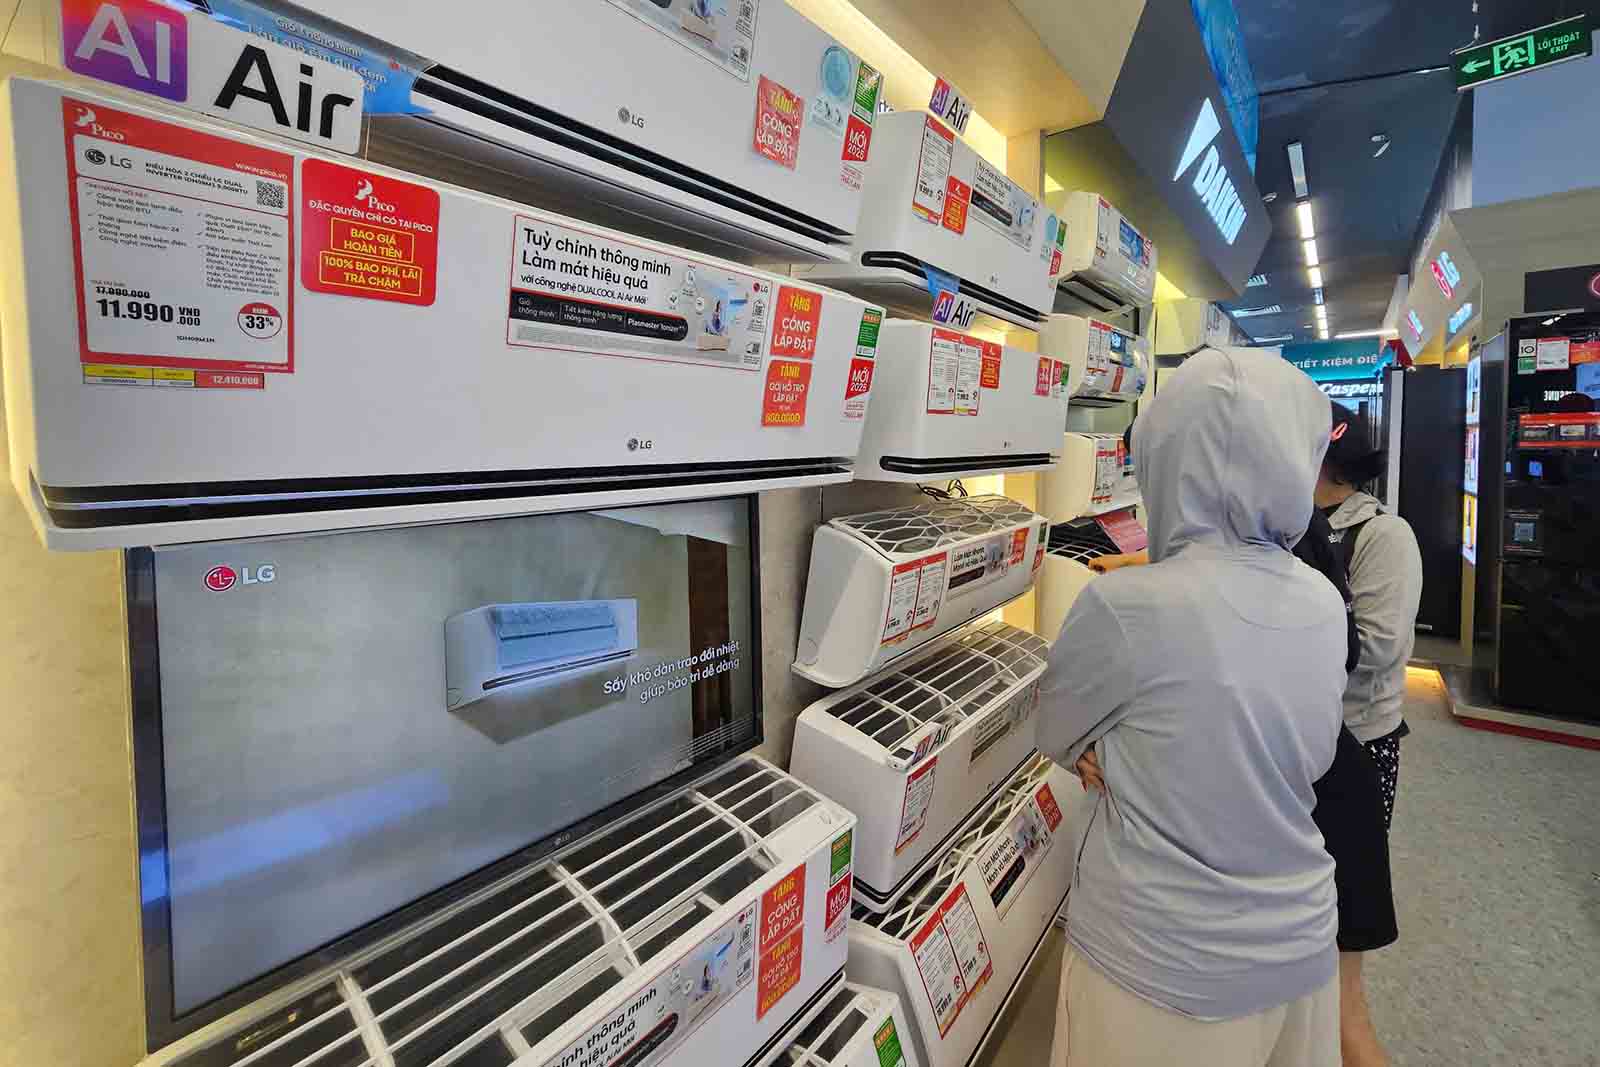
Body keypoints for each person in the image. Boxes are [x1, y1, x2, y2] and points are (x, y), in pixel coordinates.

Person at [1041, 347, 1347, 1067]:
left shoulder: (1126, 606)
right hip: (1300, 949)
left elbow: (1055, 729)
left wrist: (1108, 749)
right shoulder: (1324, 602)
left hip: (1158, 965)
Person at [1316, 405, 1422, 1067]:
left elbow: (1381, 645)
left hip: (1357, 744)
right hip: (1301, 738)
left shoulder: (1385, 535)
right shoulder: (1291, 526)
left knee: (1340, 936)